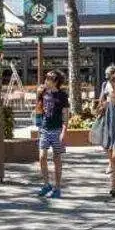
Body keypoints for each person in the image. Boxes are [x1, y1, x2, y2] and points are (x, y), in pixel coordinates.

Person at [35, 70, 70, 199]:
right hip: (45, 129)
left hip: (57, 130)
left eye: (48, 79)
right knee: (42, 156)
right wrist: (39, 125)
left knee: (57, 159)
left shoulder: (62, 95)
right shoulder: (43, 93)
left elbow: (65, 114)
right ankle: (46, 184)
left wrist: (64, 131)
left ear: (55, 82)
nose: (45, 81)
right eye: (46, 79)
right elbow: (39, 109)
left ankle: (57, 187)